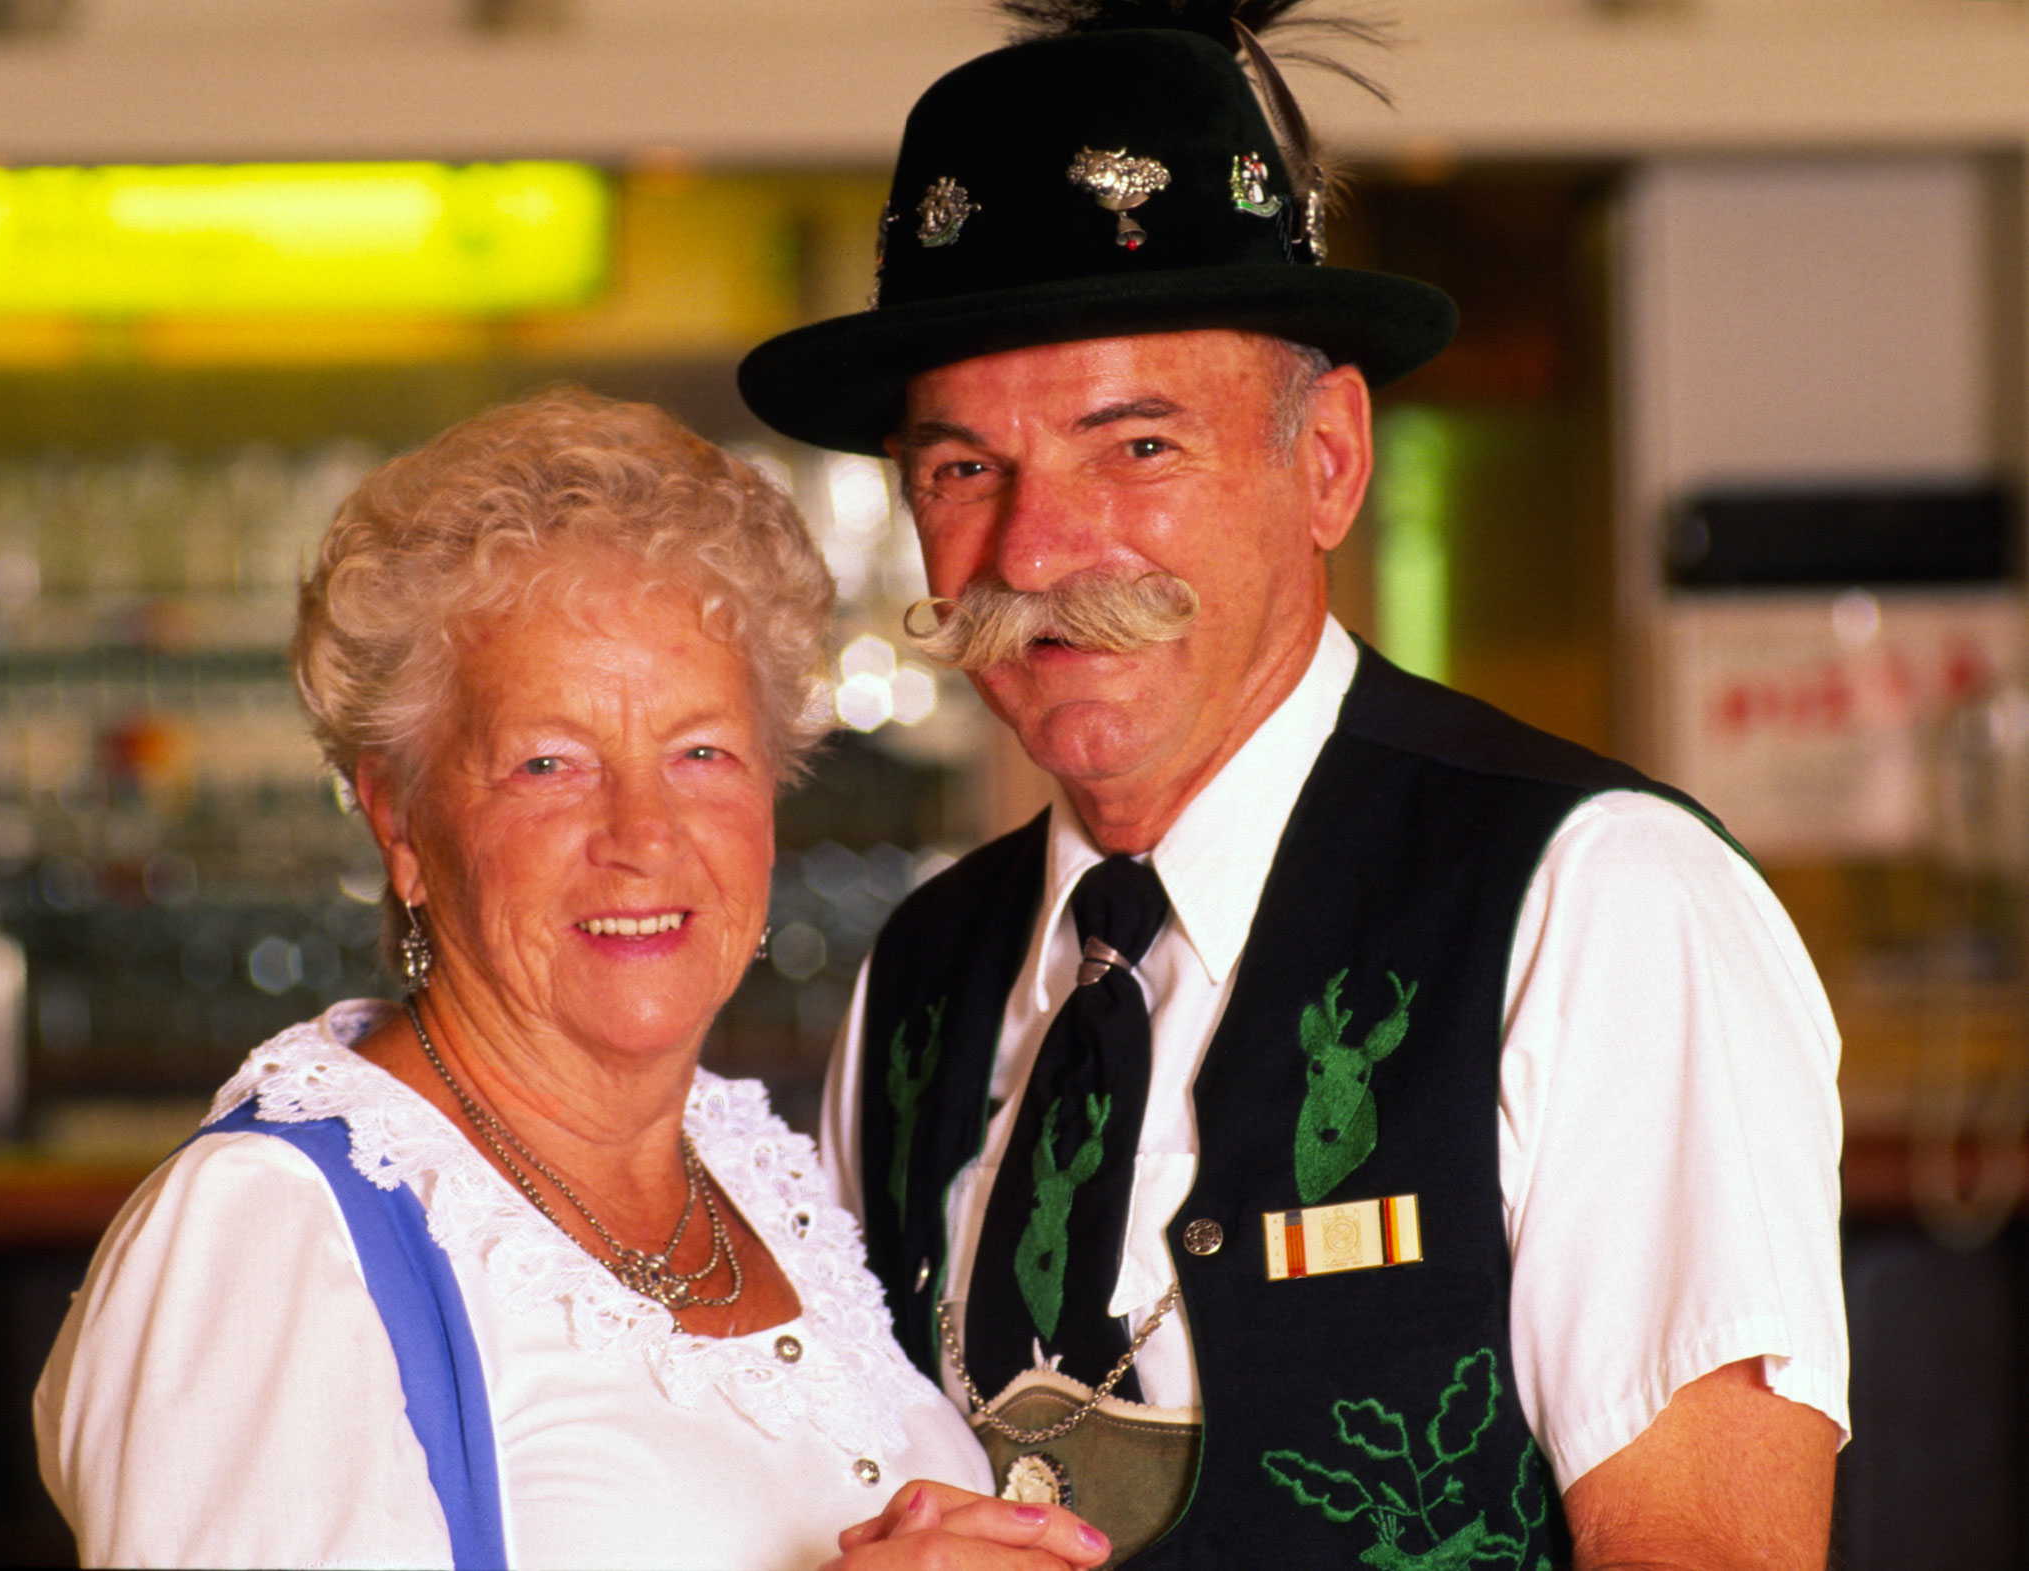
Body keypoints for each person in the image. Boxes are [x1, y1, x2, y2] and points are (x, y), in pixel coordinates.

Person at [737, 4, 1849, 1567]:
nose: (1038, 548)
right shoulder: (920, 977)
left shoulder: (1599, 904)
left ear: (1327, 461)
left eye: (1136, 447)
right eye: (962, 469)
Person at [32, 391, 1112, 1571]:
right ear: (399, 818)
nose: (642, 834)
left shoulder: (761, 1177)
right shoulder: (275, 1232)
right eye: (549, 762)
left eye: (701, 751)